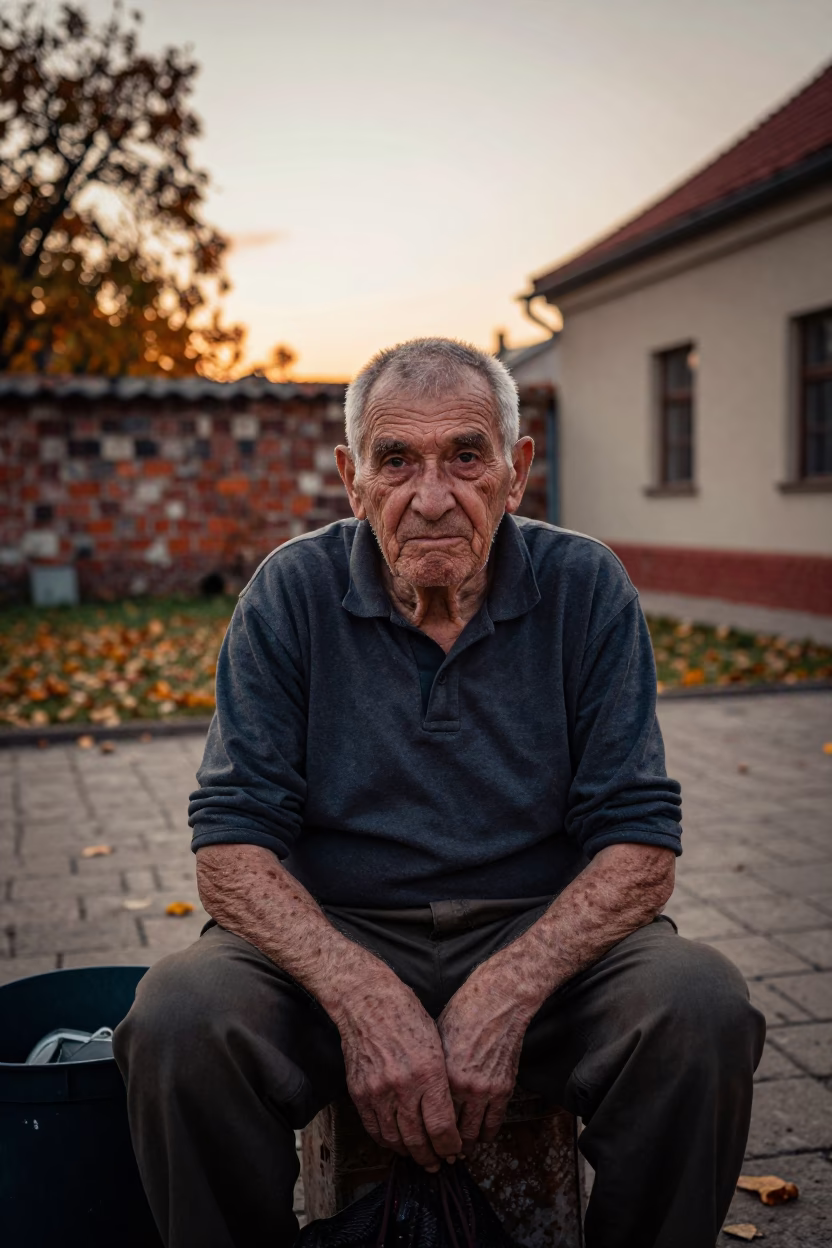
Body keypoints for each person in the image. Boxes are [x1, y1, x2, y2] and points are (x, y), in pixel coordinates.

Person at [114, 337, 764, 1248]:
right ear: (351, 478)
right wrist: (365, 998)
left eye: (465, 456)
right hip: (336, 929)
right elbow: (229, 850)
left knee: (701, 1006)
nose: (431, 496)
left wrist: (504, 991)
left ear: (515, 470)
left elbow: (640, 848)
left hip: (539, 930)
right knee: (178, 1018)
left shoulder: (586, 588)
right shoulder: (288, 595)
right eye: (396, 461)